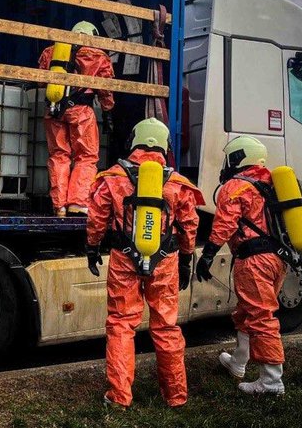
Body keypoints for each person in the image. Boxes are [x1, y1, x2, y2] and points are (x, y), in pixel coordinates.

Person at [86, 118, 203, 408]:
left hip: (124, 259)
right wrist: (186, 259)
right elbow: (189, 225)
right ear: (166, 146)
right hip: (165, 263)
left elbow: (97, 218)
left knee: (121, 324)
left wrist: (92, 247)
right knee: (166, 326)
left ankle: (119, 396)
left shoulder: (113, 177)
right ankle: (175, 396)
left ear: (133, 142)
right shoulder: (178, 184)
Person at [195, 135, 286, 396]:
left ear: (237, 157)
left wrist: (208, 255)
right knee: (246, 311)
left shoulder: (235, 186)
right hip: (277, 259)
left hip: (254, 260)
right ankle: (238, 362)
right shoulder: (271, 182)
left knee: (261, 318)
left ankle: (271, 382)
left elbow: (225, 224)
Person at [38, 21, 115, 217]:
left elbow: (41, 81)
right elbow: (105, 89)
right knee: (86, 156)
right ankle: (77, 203)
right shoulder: (98, 56)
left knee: (58, 155)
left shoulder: (51, 51)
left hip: (54, 109)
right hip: (81, 111)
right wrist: (107, 111)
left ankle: (59, 206)